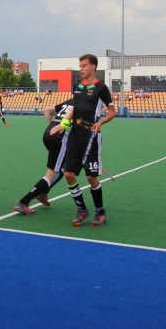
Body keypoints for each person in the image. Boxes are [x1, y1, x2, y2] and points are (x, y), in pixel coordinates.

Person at [62, 54, 116, 227]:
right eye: (80, 66)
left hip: (91, 135)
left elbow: (112, 112)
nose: (81, 69)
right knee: (68, 174)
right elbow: (75, 108)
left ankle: (100, 211)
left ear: (93, 67)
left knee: (91, 177)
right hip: (74, 135)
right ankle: (82, 209)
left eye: (84, 66)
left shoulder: (101, 88)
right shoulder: (77, 86)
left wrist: (100, 123)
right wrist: (63, 124)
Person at [13, 99, 74, 215]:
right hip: (59, 139)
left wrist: (52, 126)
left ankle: (43, 192)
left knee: (64, 167)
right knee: (51, 174)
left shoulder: (70, 101)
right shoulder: (83, 104)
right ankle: (23, 202)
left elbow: (47, 110)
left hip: (47, 134)